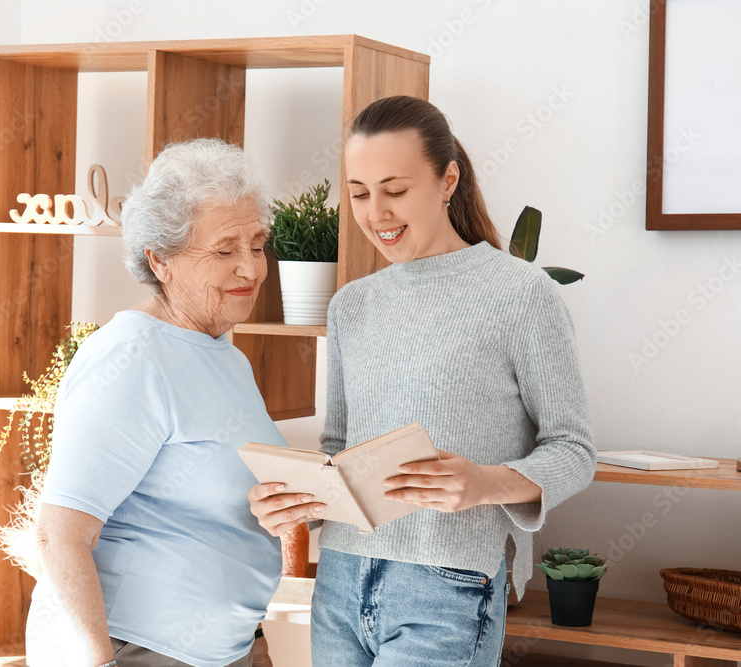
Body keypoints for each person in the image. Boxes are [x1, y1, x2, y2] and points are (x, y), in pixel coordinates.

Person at [248, 95, 596, 666]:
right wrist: (302, 500)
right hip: (339, 579)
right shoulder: (351, 306)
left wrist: (486, 484)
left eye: (395, 189)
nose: (375, 212)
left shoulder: (522, 295)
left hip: (448, 584)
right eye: (359, 193)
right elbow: (340, 450)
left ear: (447, 179)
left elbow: (574, 450)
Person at [26, 138, 283, 667]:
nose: (252, 269)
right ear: (159, 260)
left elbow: (218, 518)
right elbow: (60, 535)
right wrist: (99, 662)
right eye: (224, 250)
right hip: (135, 648)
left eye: (256, 245)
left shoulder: (225, 354)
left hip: (219, 651)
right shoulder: (131, 358)